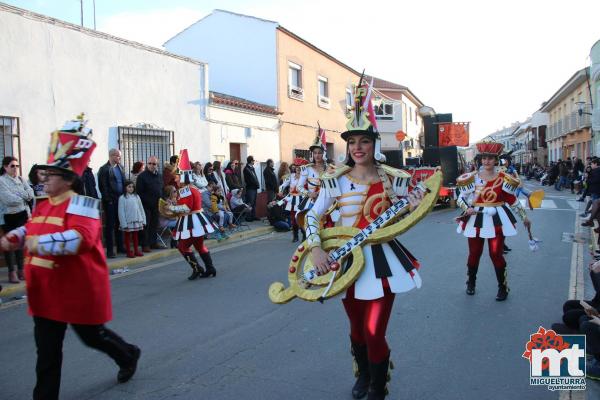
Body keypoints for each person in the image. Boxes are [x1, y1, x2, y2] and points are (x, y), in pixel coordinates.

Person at [0, 115, 140, 400]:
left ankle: (127, 355)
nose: (44, 179)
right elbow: (33, 227)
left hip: (76, 289)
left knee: (92, 337)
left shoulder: (83, 205)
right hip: (47, 292)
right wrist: (15, 237)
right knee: (47, 353)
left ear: (66, 180)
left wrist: (38, 243)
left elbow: (80, 239)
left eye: (50, 174)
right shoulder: (44, 204)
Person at [307, 85, 425, 400]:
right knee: (357, 328)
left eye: (364, 141)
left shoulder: (395, 178)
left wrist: (414, 205)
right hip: (345, 262)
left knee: (374, 330)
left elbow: (410, 213)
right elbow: (312, 215)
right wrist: (316, 247)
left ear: (374, 144)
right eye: (353, 142)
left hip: (382, 262)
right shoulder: (335, 179)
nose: (358, 147)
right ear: (347, 146)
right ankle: (363, 375)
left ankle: (378, 386)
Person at [456, 141, 531, 301]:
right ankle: (471, 282)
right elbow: (460, 197)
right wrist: (466, 207)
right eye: (484, 158)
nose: (487, 161)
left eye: (490, 158)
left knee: (496, 254)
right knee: (474, 253)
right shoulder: (472, 178)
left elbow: (512, 200)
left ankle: (503, 287)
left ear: (496, 160)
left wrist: (524, 217)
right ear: (481, 159)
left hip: (496, 219)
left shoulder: (504, 178)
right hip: (476, 217)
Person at [173, 150, 217, 280]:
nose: (175, 178)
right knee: (199, 246)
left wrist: (170, 208)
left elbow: (186, 208)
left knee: (182, 247)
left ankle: (197, 269)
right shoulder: (194, 188)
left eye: (177, 175)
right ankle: (210, 268)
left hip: (191, 221)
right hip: (198, 220)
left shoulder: (185, 190)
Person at [0, 156, 34, 283]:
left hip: (23, 215)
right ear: (5, 167)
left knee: (21, 243)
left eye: (17, 166)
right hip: (8, 216)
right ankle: (11, 272)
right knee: (9, 244)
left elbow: (31, 194)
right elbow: (8, 200)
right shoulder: (1, 181)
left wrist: (21, 195)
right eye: (12, 166)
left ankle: (21, 269)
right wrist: (23, 195)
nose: (15, 168)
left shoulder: (21, 179)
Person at [297, 128, 330, 226]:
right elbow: (299, 187)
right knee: (312, 227)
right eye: (315, 153)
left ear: (323, 153)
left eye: (319, 152)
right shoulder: (306, 169)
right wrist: (309, 194)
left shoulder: (330, 169)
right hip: (312, 202)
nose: (317, 155)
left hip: (327, 203)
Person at [97, 149, 126, 258]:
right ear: (112, 156)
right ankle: (110, 250)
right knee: (110, 226)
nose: (120, 158)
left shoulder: (121, 167)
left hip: (121, 200)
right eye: (118, 156)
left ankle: (120, 247)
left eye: (120, 156)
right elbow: (102, 186)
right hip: (110, 201)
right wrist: (108, 200)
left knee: (120, 224)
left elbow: (123, 182)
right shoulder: (104, 169)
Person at [136, 156, 163, 251]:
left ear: (157, 165)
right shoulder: (142, 176)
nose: (151, 165)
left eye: (154, 164)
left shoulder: (159, 176)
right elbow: (139, 192)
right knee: (145, 225)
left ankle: (153, 243)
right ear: (147, 164)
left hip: (157, 205)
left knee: (154, 225)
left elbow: (161, 189)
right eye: (150, 163)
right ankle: (145, 245)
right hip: (145, 205)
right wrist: (148, 201)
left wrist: (162, 200)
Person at [279, 159, 307, 242]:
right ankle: (295, 236)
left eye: (300, 167)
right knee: (293, 218)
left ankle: (304, 234)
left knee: (302, 218)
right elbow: (283, 185)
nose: (298, 168)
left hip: (302, 200)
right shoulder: (291, 176)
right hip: (292, 200)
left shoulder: (306, 177)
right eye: (297, 167)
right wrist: (280, 191)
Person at [118, 180, 146, 258]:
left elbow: (141, 208)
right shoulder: (122, 198)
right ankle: (128, 251)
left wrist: (143, 219)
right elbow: (121, 212)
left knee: (135, 235)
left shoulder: (137, 196)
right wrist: (124, 223)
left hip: (137, 219)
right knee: (127, 236)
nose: (131, 188)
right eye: (129, 187)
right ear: (125, 188)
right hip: (128, 221)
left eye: (132, 187)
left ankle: (136, 250)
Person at [243, 155, 260, 221]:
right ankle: (248, 217)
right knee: (250, 202)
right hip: (250, 188)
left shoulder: (252, 168)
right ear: (250, 161)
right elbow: (248, 180)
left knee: (254, 203)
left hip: (254, 188)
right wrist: (254, 184)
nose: (254, 161)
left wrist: (257, 185)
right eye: (253, 160)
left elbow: (255, 177)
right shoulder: (246, 169)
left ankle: (253, 216)